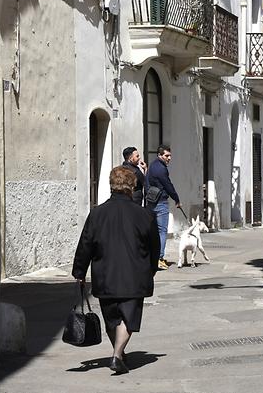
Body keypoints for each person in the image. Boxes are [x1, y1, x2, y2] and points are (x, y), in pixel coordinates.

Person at [72, 166, 160, 375]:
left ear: (112, 186)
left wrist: (79, 271)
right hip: (135, 275)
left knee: (111, 318)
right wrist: (152, 268)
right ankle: (117, 355)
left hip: (105, 274)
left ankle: (118, 353)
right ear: (132, 186)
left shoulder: (97, 213)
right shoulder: (143, 214)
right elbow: (154, 246)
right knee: (129, 318)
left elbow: (86, 244)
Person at [146, 144, 182, 270]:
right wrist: (177, 199)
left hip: (151, 201)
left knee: (153, 231)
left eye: (170, 155)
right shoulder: (161, 169)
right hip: (160, 202)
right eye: (167, 155)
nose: (169, 158)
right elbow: (168, 185)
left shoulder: (152, 166)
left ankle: (153, 257)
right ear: (160, 155)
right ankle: (159, 258)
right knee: (162, 231)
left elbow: (147, 182)